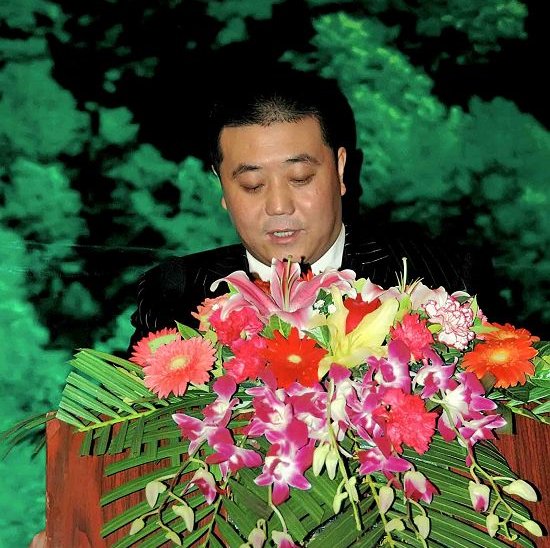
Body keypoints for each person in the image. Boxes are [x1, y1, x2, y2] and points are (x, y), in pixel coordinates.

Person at [128, 69, 479, 350]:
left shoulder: (441, 278)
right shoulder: (174, 295)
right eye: (252, 184)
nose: (279, 206)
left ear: (340, 170)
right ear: (222, 186)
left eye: (300, 178)